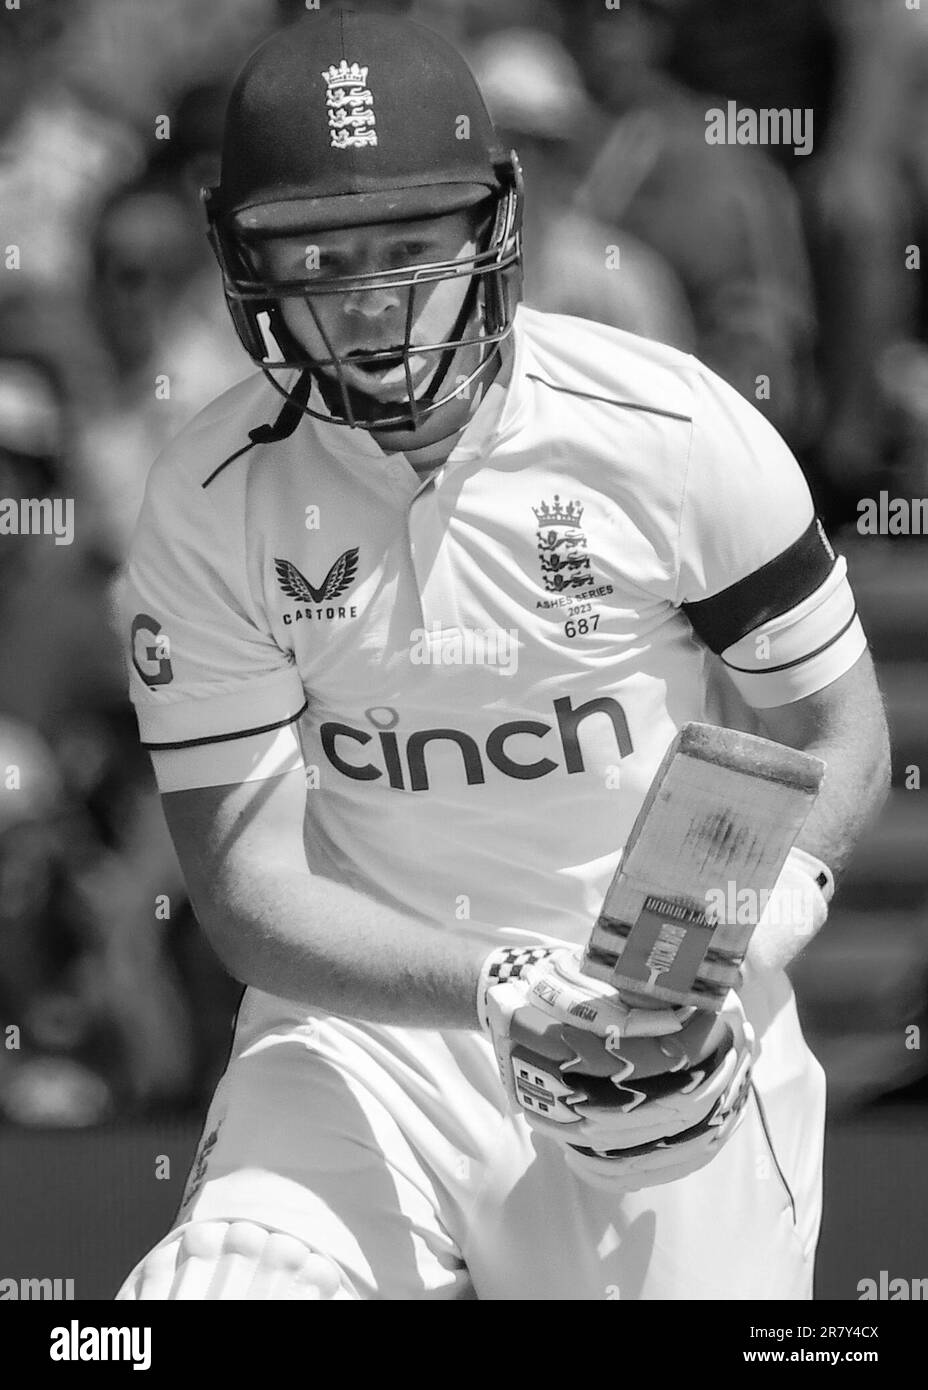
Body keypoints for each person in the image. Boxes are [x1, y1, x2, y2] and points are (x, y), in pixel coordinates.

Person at [115, 9, 889, 1301]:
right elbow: (247, 888)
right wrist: (493, 984)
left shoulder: (672, 427)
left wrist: (766, 914)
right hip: (370, 1040)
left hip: (657, 1038)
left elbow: (834, 730)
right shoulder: (207, 494)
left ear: (497, 220)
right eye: (315, 252)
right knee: (213, 1293)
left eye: (411, 244)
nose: (368, 298)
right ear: (237, 254)